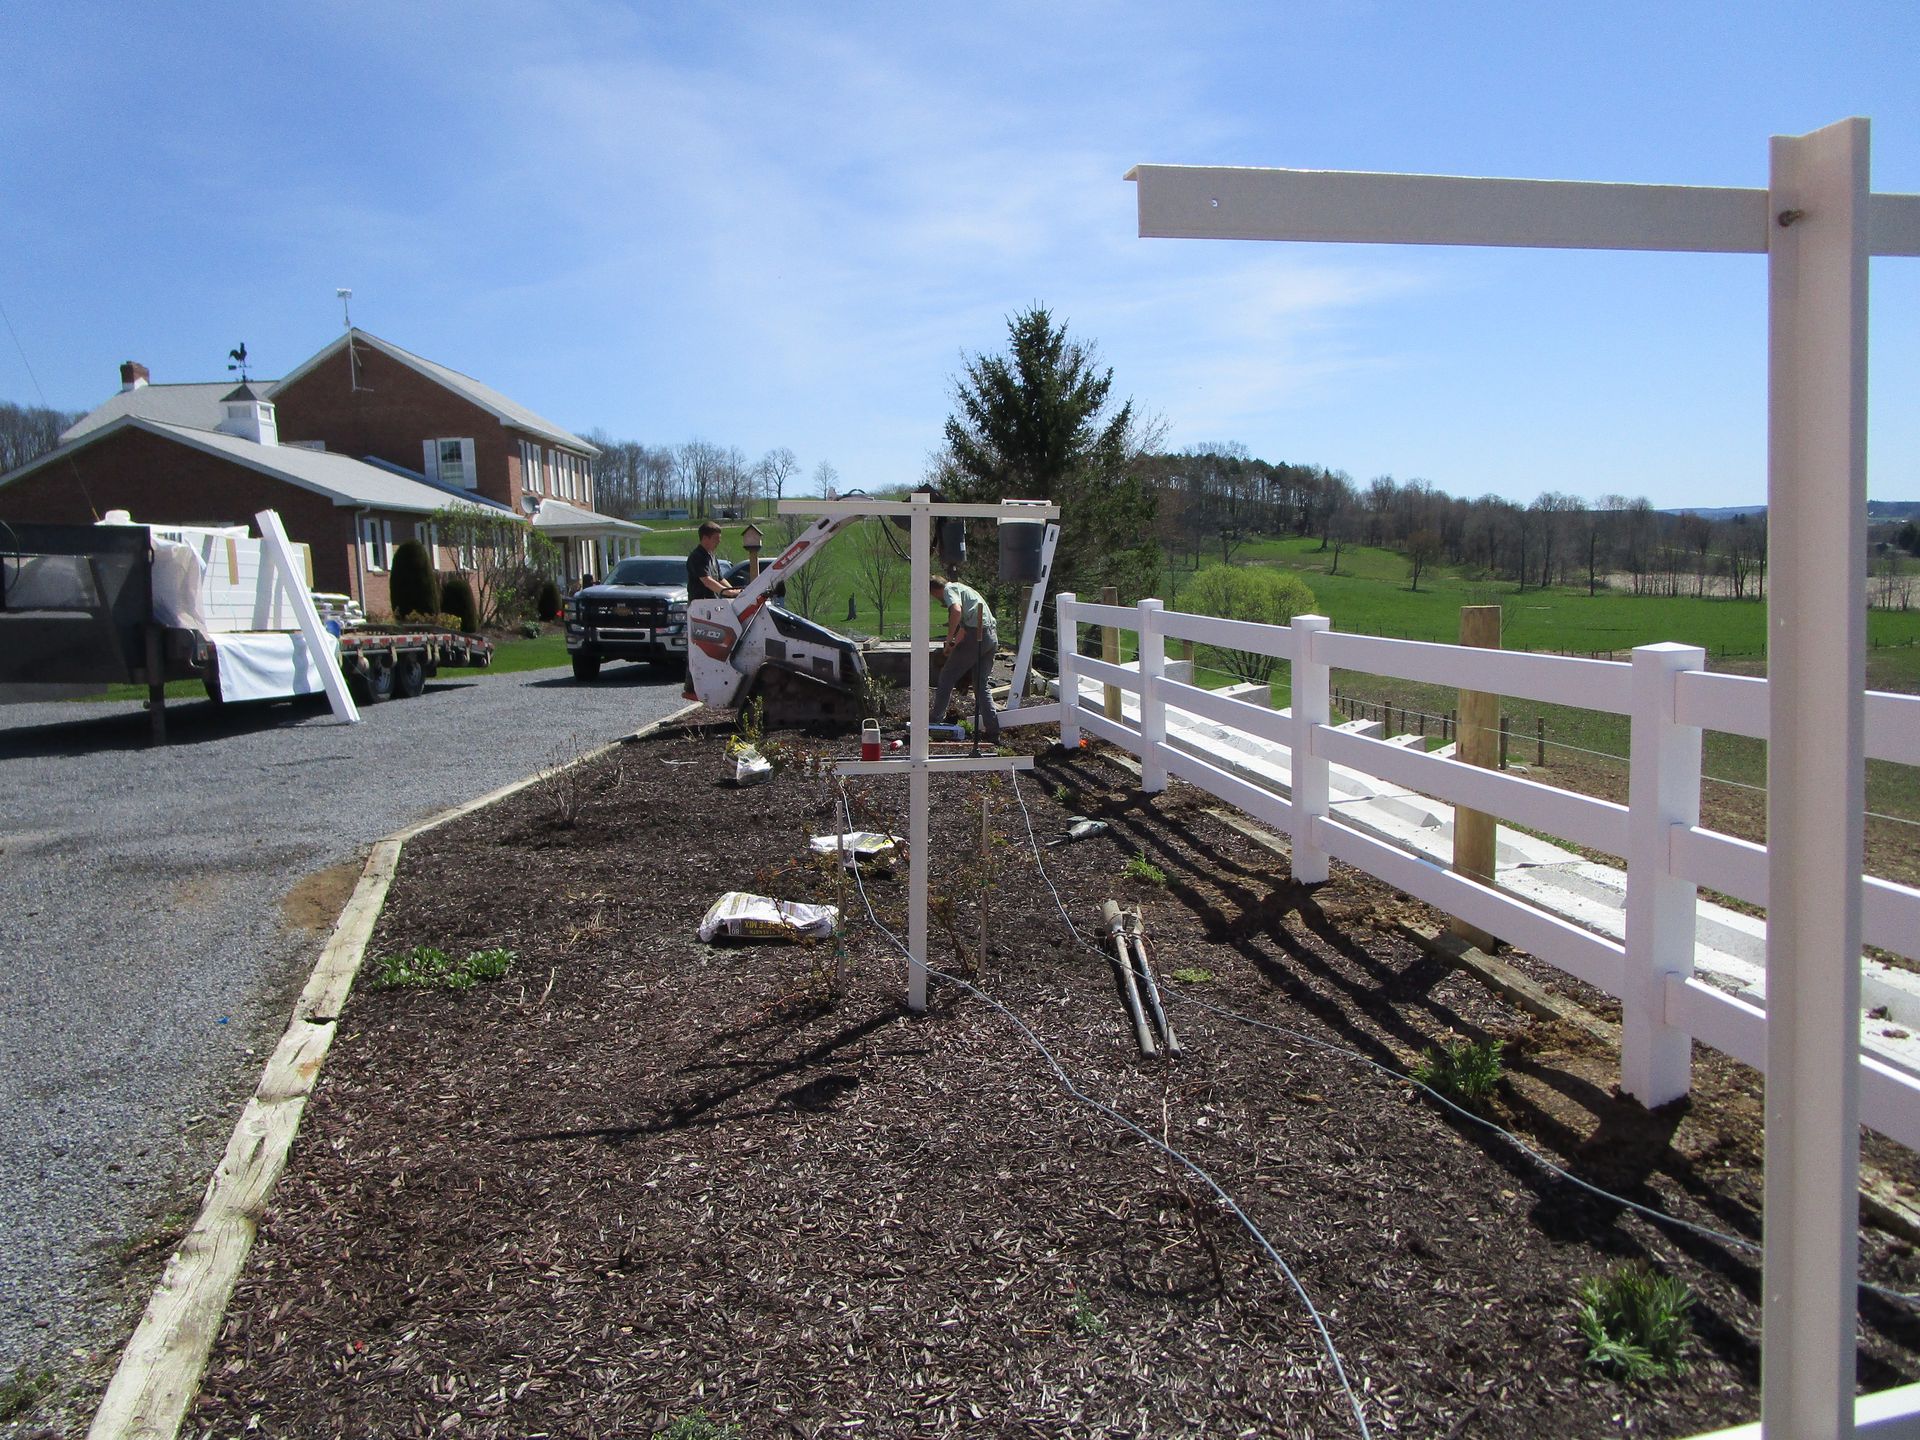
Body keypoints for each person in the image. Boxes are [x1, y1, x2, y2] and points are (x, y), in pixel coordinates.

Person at [927, 573, 1000, 740]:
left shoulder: (949, 589)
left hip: (976, 636)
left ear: (935, 590)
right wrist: (951, 645)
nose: (937, 599)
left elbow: (957, 611)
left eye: (933, 596)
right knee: (981, 685)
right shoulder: (964, 589)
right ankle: (993, 731)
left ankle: (935, 721)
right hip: (990, 637)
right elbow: (964, 628)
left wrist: (947, 637)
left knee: (946, 677)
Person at [686, 520, 739, 601]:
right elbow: (707, 581)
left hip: (713, 603)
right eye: (716, 538)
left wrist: (734, 591)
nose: (719, 541)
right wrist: (727, 592)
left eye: (719, 538)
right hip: (700, 605)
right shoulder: (697, 556)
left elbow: (720, 579)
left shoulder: (712, 556)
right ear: (705, 538)